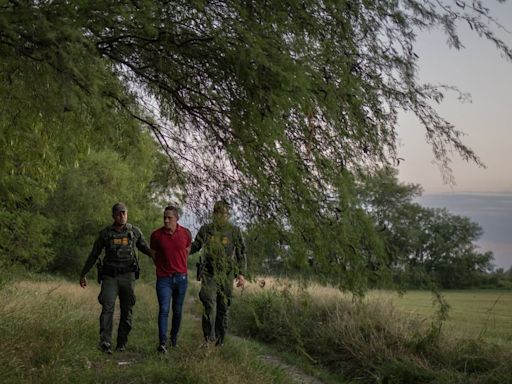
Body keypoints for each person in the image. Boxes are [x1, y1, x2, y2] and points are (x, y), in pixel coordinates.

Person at [79, 202, 153, 354]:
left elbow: (147, 249)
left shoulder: (134, 232)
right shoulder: (105, 233)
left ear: (127, 214)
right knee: (107, 308)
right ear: (113, 216)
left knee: (127, 310)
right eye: (119, 213)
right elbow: (94, 254)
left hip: (128, 276)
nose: (122, 216)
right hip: (110, 277)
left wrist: (163, 260)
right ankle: (105, 342)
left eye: (124, 213)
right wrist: (83, 273)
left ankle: (121, 343)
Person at [190, 200, 246, 346]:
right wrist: (181, 250)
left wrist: (241, 274)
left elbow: (241, 253)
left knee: (223, 307)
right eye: (218, 213)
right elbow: (195, 246)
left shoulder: (234, 231)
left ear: (228, 215)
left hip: (226, 275)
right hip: (209, 273)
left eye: (224, 213)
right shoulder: (206, 229)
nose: (221, 216)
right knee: (209, 304)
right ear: (214, 214)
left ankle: (220, 341)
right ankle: (208, 338)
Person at [150, 205, 192, 353]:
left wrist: (179, 265)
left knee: (178, 311)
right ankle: (162, 343)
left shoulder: (186, 234)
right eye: (165, 218)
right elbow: (153, 254)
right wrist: (162, 268)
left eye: (170, 218)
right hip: (164, 279)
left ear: (177, 219)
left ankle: (173, 340)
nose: (166, 220)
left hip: (181, 278)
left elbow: (188, 249)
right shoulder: (156, 235)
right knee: (164, 309)